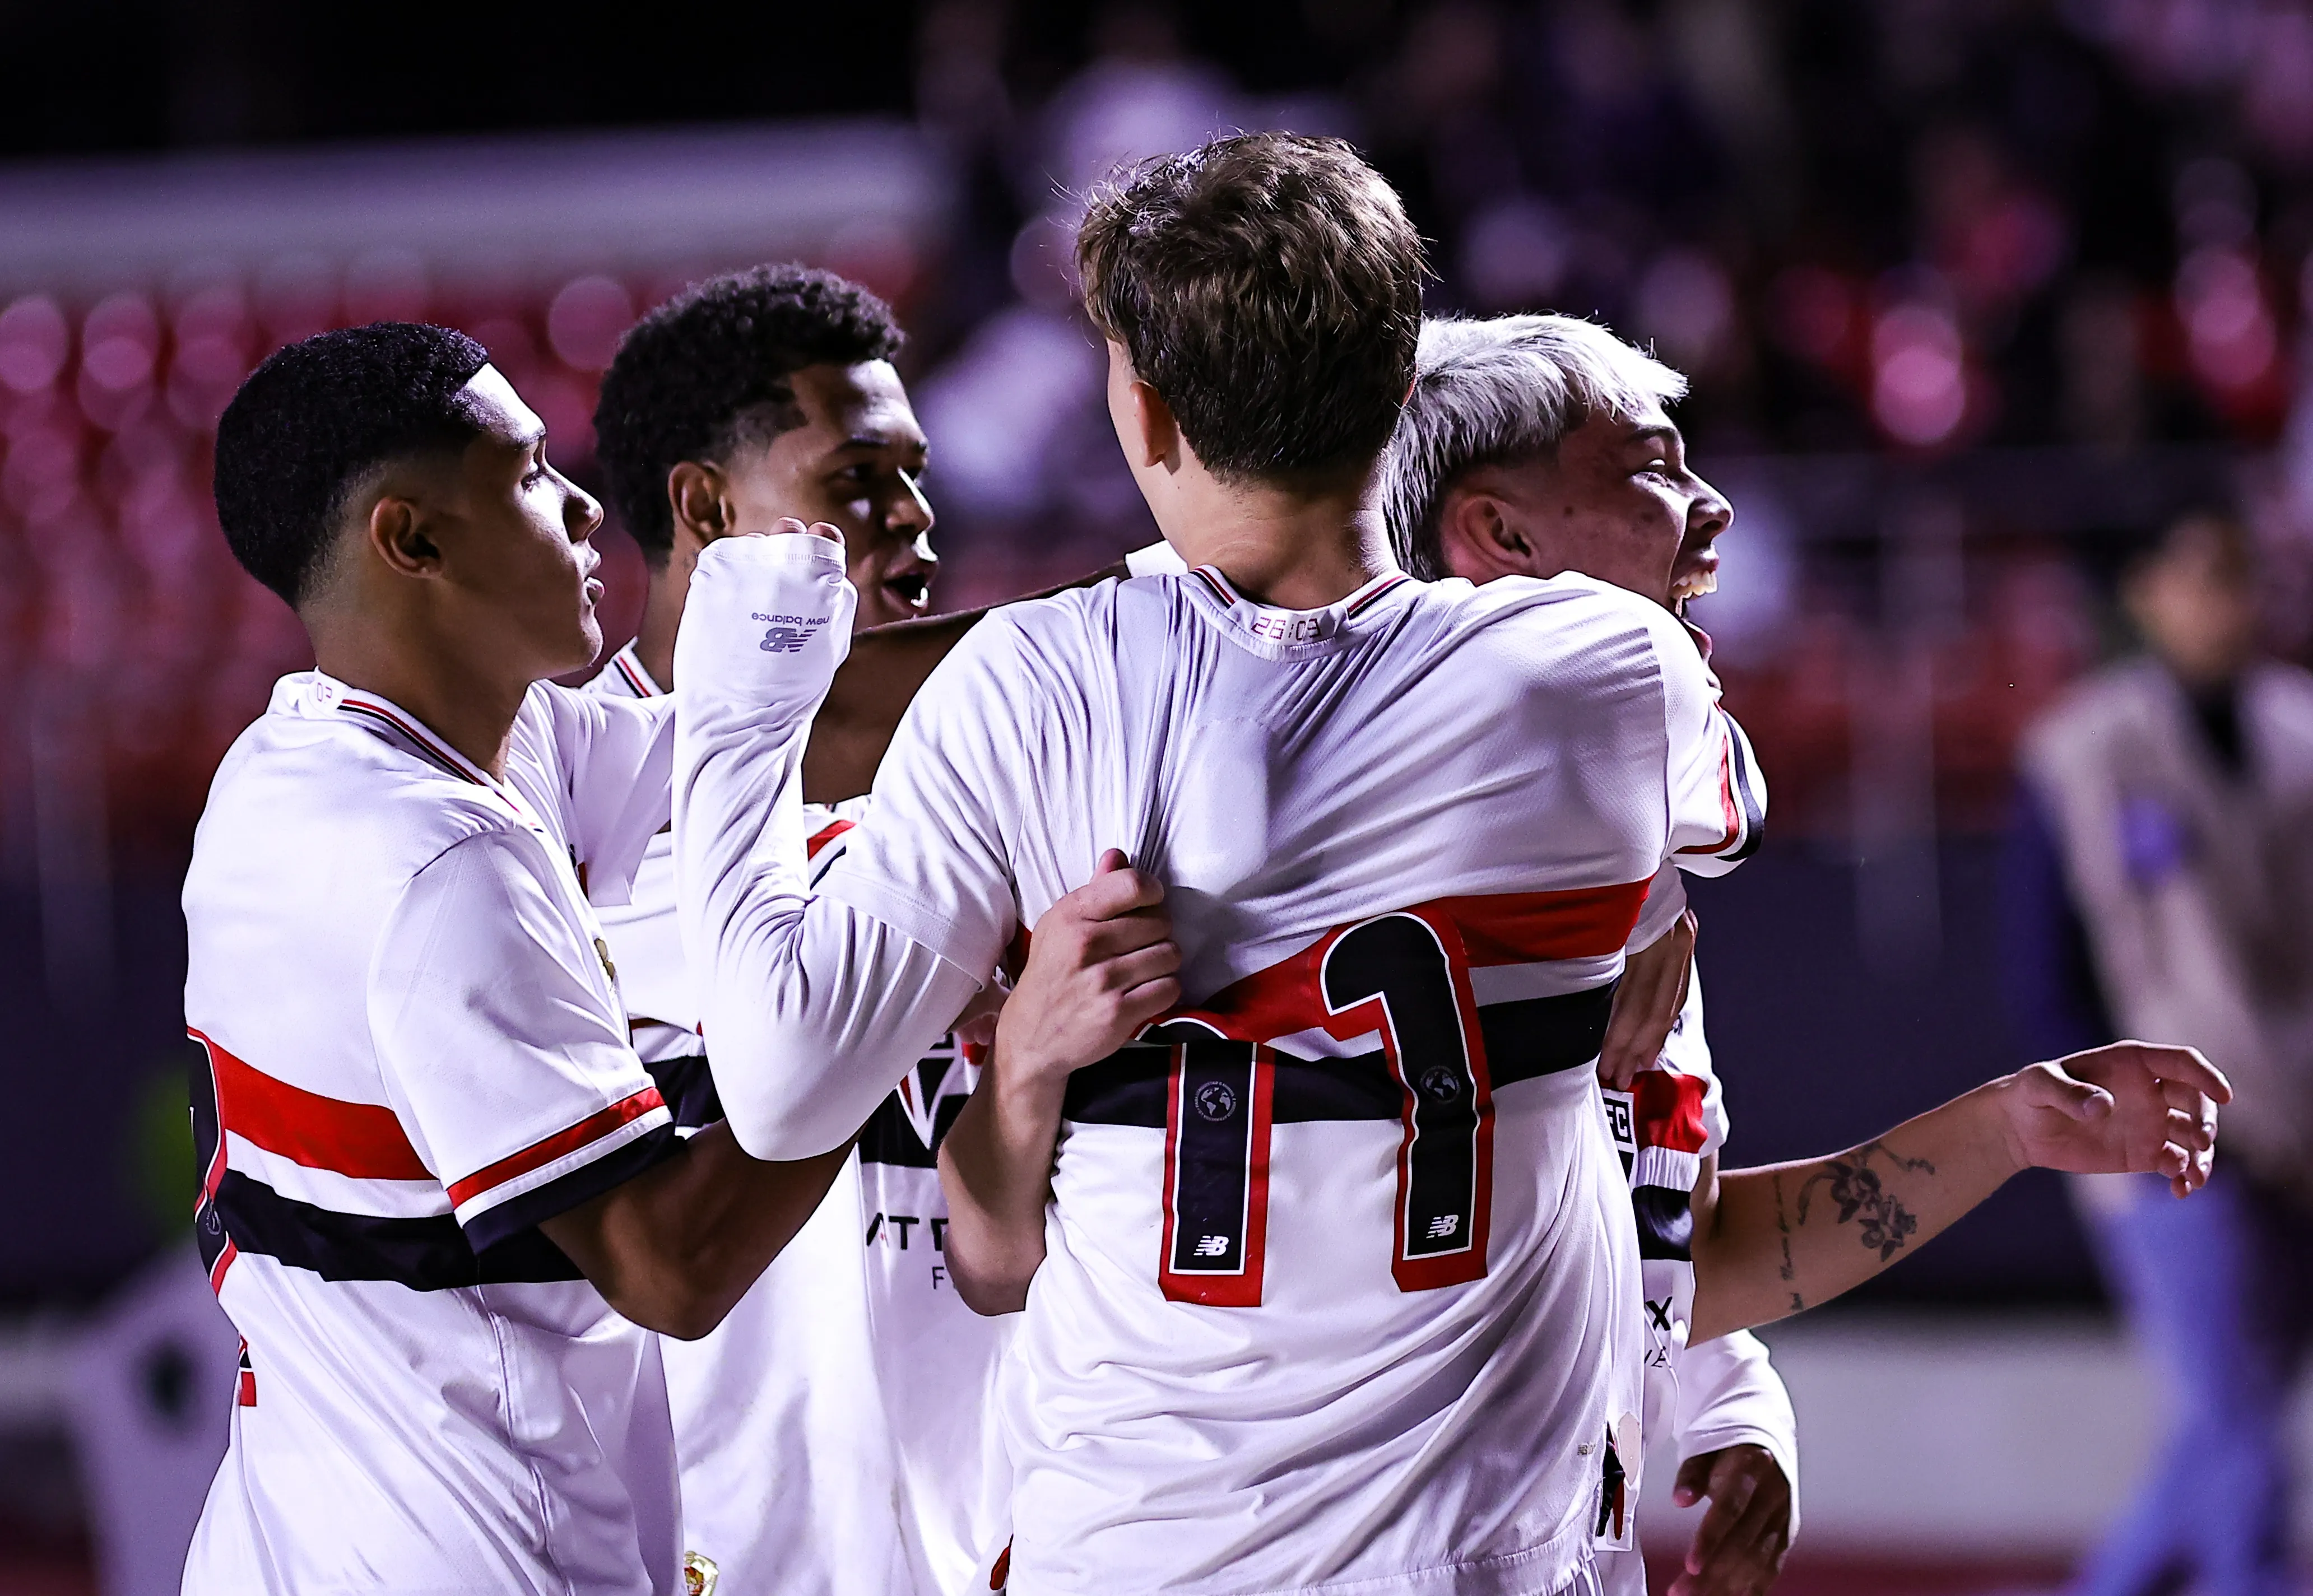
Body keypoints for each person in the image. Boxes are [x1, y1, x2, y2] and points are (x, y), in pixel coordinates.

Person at [676, 132, 2224, 1596]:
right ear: (1397, 386)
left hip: (1148, 1547)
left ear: (1143, 416)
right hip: (1498, 1551)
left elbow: (787, 1088)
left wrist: (740, 703)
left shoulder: (1037, 686)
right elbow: (1706, 818)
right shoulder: (1615, 677)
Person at [175, 323, 1143, 1596]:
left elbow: (819, 720)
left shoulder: (338, 754)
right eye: (525, 475)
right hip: (476, 1549)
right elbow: (672, 1267)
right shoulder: (431, 866)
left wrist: (1164, 612)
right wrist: (893, 991)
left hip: (308, 1521)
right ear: (413, 540)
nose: (581, 505)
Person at [588, 263, 1038, 1594]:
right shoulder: (569, 809)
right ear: (708, 507)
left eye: (916, 480)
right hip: (698, 1552)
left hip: (998, 1541)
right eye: (857, 482)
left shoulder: (986, 802)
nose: (914, 519)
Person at [1381, 313, 1793, 1596]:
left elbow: (1656, 1192)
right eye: (1653, 468)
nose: (1713, 505)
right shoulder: (1341, 815)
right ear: (1501, 534)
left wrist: (1732, 1390)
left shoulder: (1636, 873)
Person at [2007, 511, 2313, 1596]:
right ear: (2144, 592)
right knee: (2238, 1431)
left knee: (2232, 1419)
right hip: (2163, 1129)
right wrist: (2103, 1123)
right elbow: (2047, 971)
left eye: (2240, 576)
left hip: (2293, 1111)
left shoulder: (2296, 730)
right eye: (2200, 577)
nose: (2229, 602)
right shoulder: (2083, 747)